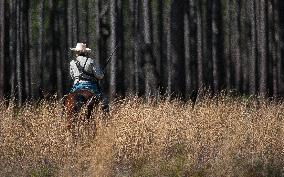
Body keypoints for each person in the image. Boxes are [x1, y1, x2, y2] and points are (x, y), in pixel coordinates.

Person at [69, 43, 109, 112]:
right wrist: (102, 73)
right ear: (85, 52)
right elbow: (99, 76)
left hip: (76, 86)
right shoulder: (91, 61)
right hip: (91, 86)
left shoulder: (72, 63)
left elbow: (72, 76)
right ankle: (105, 115)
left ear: (76, 52)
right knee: (104, 100)